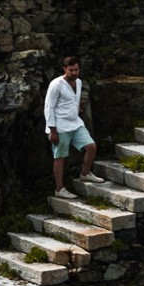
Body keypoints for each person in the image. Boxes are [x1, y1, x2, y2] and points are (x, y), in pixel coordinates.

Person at [44, 55, 102, 198]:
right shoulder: (56, 84)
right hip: (60, 126)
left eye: (76, 70)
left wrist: (78, 108)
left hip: (75, 123)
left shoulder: (79, 82)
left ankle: (85, 173)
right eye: (71, 70)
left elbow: (73, 101)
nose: (74, 73)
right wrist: (52, 131)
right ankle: (59, 189)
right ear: (65, 69)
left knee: (91, 147)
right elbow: (49, 107)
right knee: (60, 157)